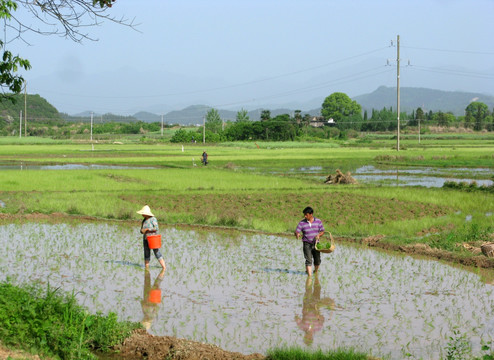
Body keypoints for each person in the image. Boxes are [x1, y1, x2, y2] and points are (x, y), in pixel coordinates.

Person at [295, 274, 334, 345]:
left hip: (310, 305)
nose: (307, 336)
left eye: (306, 337)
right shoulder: (318, 328)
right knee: (314, 290)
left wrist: (297, 316)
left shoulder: (302, 327)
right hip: (314, 306)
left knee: (311, 290)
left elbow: (296, 318)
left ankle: (313, 277)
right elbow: (322, 318)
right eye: (308, 337)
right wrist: (319, 317)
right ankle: (314, 277)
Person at [295, 206, 325, 277]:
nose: (305, 216)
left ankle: (316, 271)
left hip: (316, 244)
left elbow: (322, 231)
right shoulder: (302, 223)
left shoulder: (318, 221)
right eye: (304, 215)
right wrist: (297, 234)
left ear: (311, 214)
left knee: (317, 261)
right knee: (308, 261)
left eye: (306, 215)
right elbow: (297, 231)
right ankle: (310, 277)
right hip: (306, 244)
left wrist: (319, 235)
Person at [137, 205, 166, 271]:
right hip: (145, 239)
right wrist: (142, 231)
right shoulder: (144, 220)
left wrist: (148, 229)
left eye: (143, 213)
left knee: (157, 252)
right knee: (146, 253)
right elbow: (141, 230)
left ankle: (164, 268)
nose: (142, 214)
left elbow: (156, 228)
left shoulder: (153, 219)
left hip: (153, 239)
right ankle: (146, 269)